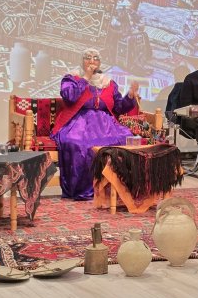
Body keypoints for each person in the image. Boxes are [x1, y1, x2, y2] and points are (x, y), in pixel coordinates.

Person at [51, 48, 139, 200]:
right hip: (78, 123)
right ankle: (84, 191)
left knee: (126, 139)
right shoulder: (71, 78)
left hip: (106, 125)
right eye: (87, 58)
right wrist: (86, 77)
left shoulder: (109, 83)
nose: (92, 61)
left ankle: (118, 187)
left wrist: (130, 96)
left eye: (95, 58)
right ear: (82, 61)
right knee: (78, 144)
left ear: (100, 62)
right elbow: (69, 97)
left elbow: (118, 107)